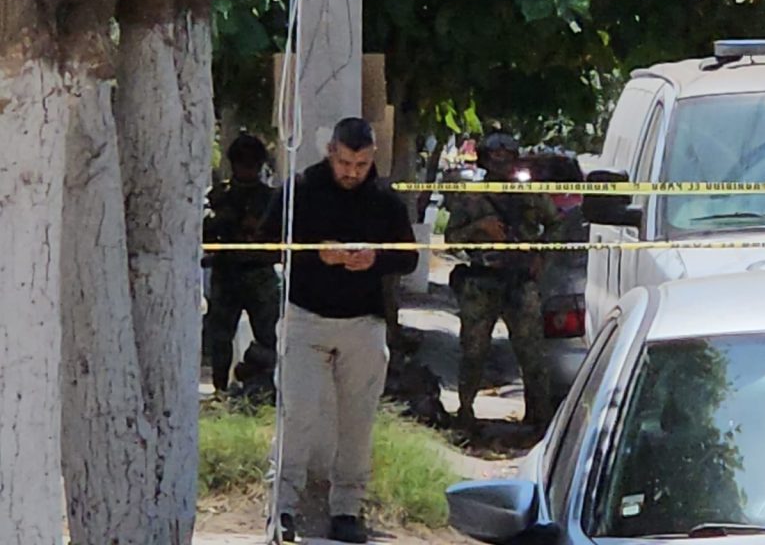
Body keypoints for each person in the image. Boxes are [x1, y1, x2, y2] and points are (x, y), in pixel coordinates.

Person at [262, 117, 418, 543]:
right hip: (304, 319)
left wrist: (376, 258)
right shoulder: (300, 189)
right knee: (297, 414)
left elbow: (409, 258)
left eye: (361, 164)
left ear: (373, 159)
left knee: (358, 420)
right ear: (330, 151)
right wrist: (317, 253)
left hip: (363, 324)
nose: (352, 172)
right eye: (345, 162)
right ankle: (281, 509)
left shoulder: (385, 200)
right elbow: (266, 244)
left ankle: (347, 510)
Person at [445, 130, 560, 430]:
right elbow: (451, 240)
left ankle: (539, 420)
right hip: (481, 282)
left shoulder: (529, 195)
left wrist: (541, 256)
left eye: (506, 159)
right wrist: (479, 227)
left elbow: (557, 225)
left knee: (532, 354)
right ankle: (465, 413)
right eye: (494, 159)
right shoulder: (471, 198)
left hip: (520, 281)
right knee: (473, 351)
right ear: (484, 161)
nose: (501, 165)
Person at [202, 134, 281, 398]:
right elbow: (205, 232)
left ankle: (267, 387)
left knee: (270, 336)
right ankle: (220, 389)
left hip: (260, 273)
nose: (247, 170)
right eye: (242, 164)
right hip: (227, 272)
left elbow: (280, 236)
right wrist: (223, 219)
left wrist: (258, 231)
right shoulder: (220, 196)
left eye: (252, 164)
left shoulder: (270, 198)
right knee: (220, 338)